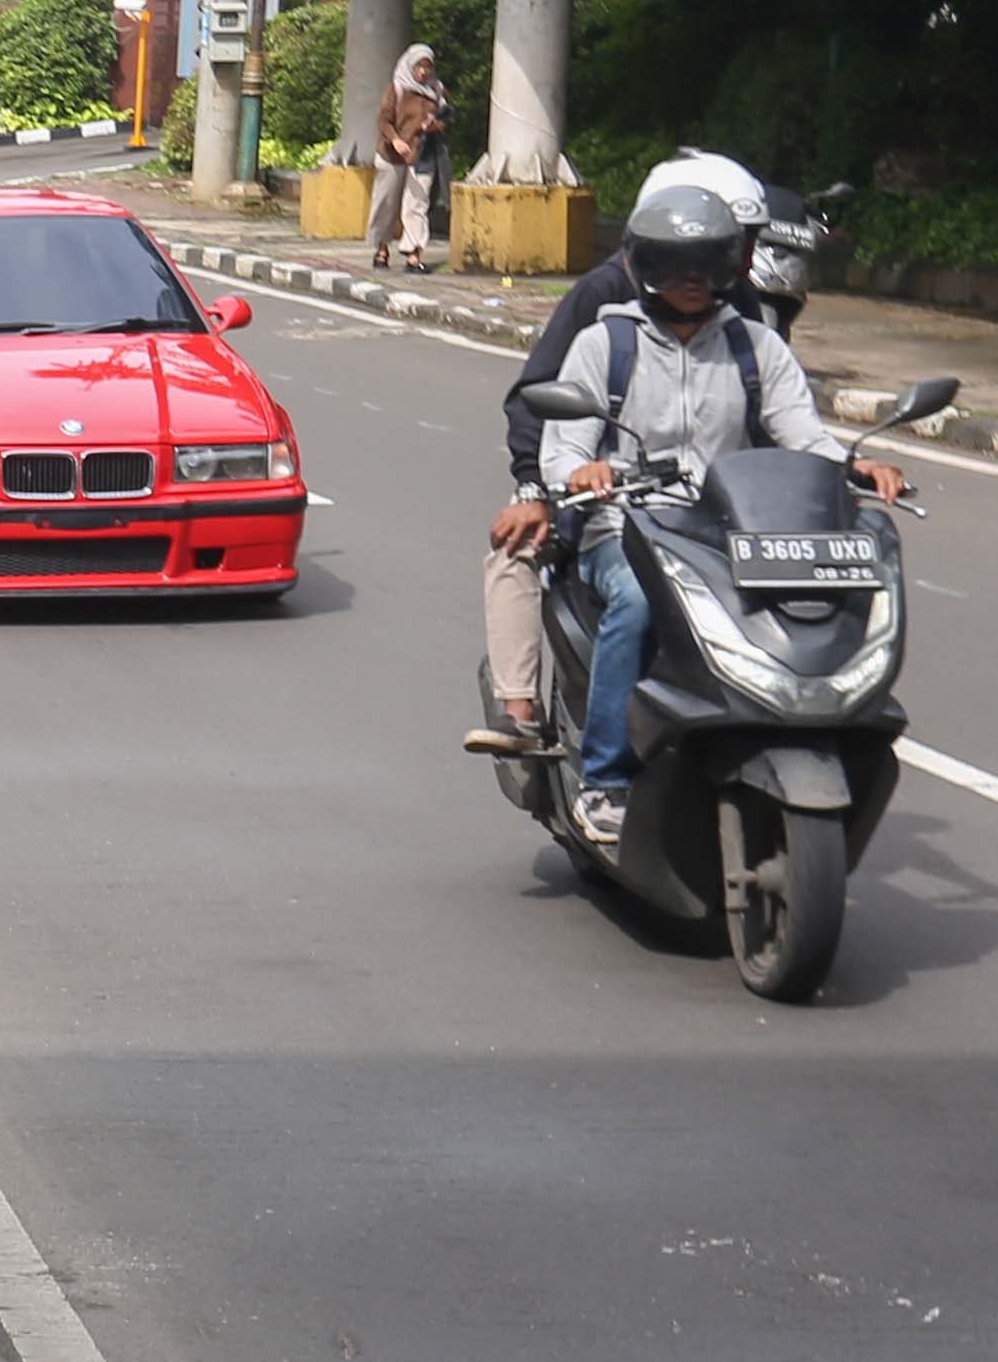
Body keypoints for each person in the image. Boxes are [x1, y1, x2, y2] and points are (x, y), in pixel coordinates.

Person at [478, 167, 905, 838]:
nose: (691, 277)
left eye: (706, 261)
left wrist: (857, 465)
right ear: (645, 262)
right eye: (675, 262)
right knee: (638, 603)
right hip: (623, 526)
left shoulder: (753, 345)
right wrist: (582, 472)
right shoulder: (604, 341)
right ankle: (606, 781)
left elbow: (803, 434)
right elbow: (560, 448)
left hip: (723, 530)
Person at [467, 151, 766, 754]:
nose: (739, 262)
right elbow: (536, 397)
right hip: (604, 499)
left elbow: (775, 414)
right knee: (514, 548)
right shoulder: (604, 299)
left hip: (713, 510)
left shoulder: (739, 311)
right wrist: (541, 490)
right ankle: (522, 713)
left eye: (736, 247)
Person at [365, 43, 449, 271]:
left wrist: (432, 125)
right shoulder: (397, 88)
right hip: (392, 154)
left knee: (417, 205)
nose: (423, 72)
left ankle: (414, 255)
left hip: (422, 154)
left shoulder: (437, 91)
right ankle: (381, 249)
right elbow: (383, 119)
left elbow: (446, 121)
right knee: (386, 203)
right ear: (410, 65)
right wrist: (395, 139)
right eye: (419, 67)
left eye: (427, 67)